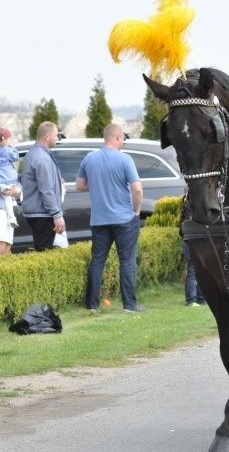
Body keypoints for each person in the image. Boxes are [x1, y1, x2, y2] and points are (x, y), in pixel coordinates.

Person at [76, 123, 145, 314]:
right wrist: (137, 211)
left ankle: (92, 305)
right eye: (122, 138)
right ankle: (129, 305)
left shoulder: (89, 158)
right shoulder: (125, 159)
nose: (123, 142)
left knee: (97, 261)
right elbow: (137, 188)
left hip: (99, 220)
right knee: (127, 261)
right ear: (117, 137)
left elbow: (80, 185)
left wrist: (99, 185)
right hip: (124, 219)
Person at [21, 121, 65, 251]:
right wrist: (57, 215)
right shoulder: (42, 157)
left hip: (38, 212)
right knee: (44, 252)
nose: (57, 138)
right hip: (42, 214)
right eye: (56, 135)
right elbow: (46, 190)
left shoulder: (33, 153)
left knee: (43, 249)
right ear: (47, 137)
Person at [0, 128, 20, 229]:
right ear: (6, 140)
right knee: (8, 195)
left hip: (1, 179)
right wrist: (13, 147)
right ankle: (12, 217)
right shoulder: (8, 150)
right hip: (9, 177)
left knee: (7, 195)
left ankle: (13, 201)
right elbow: (16, 156)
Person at [183, 241, 206, 307]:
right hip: (192, 243)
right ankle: (191, 300)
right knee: (192, 274)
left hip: (196, 243)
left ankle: (200, 298)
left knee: (200, 273)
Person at [0, 185, 21, 256]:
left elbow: (18, 184)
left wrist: (17, 189)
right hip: (1, 209)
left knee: (7, 245)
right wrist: (5, 189)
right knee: (2, 245)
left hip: (9, 212)